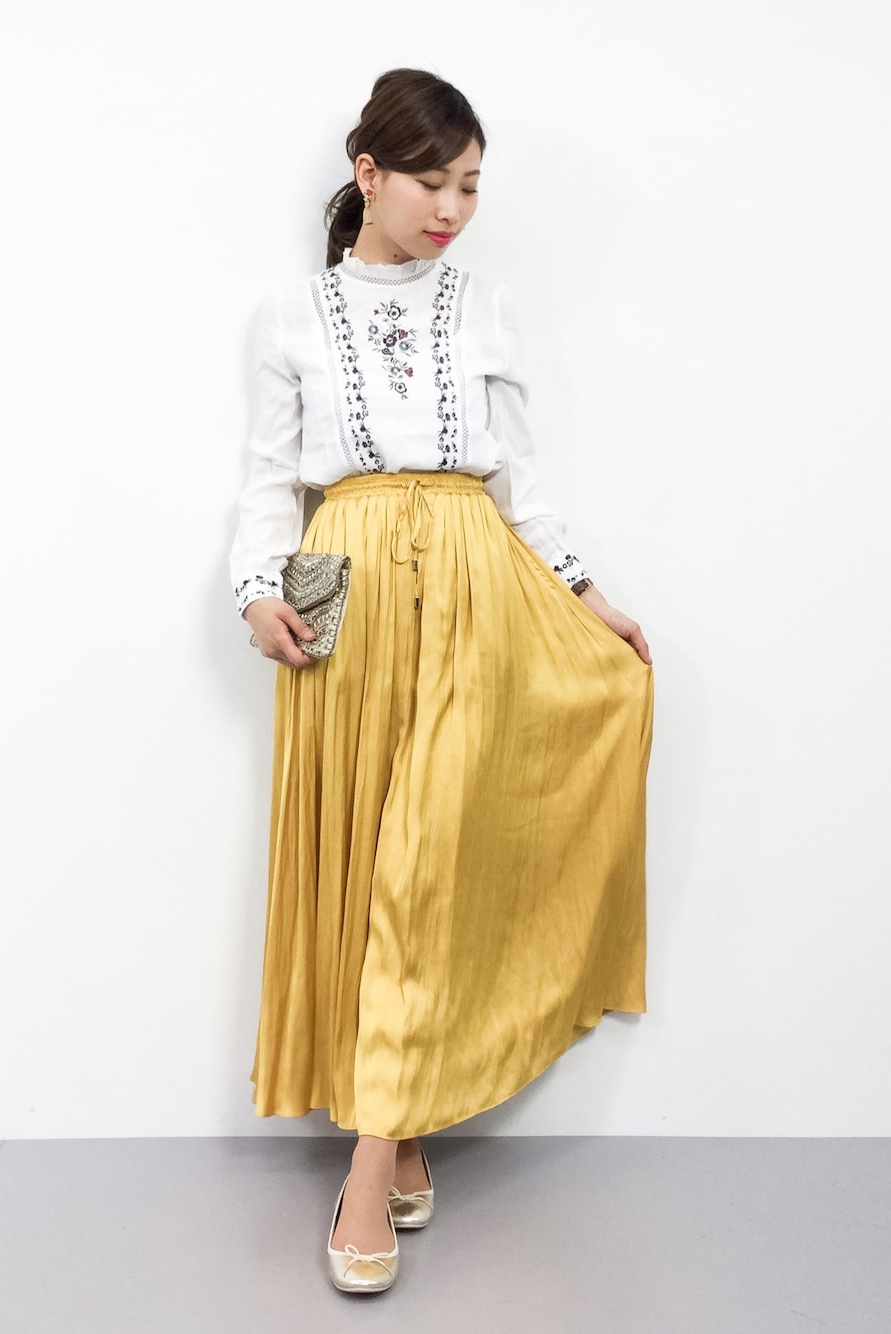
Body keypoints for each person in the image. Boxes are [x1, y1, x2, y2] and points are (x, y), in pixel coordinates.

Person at [229, 68, 653, 1294]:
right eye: (432, 182)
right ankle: (402, 1120)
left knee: (423, 862)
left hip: (474, 582)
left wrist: (583, 594)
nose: (454, 208)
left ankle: (367, 1167)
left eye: (470, 186)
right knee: (362, 860)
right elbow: (270, 478)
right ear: (368, 174)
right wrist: (257, 590)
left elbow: (521, 479)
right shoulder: (291, 314)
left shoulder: (487, 309)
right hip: (342, 585)